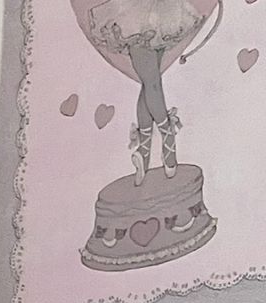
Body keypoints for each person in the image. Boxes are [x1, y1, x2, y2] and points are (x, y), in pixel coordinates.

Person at [86, 0, 220, 181]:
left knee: (150, 83)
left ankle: (144, 152)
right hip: (134, 14)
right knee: (152, 83)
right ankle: (168, 138)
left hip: (163, 11)